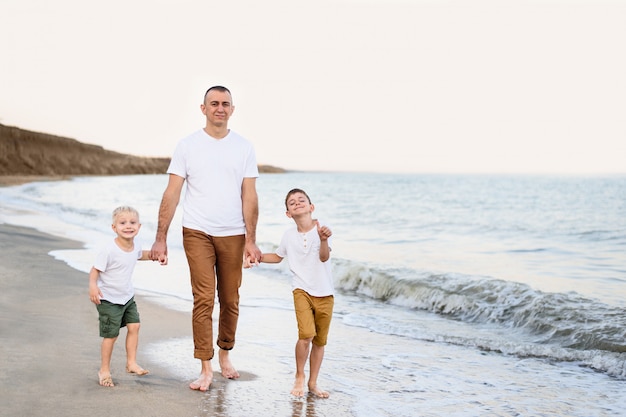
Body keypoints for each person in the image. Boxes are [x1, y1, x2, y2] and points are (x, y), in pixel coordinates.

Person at [150, 85, 262, 392]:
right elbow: (172, 193)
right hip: (196, 231)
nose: (219, 108)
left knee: (230, 298)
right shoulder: (187, 146)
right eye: (214, 103)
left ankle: (225, 353)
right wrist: (160, 238)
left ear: (232, 109)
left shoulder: (244, 147)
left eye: (225, 103)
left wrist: (251, 240)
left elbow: (249, 196)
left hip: (234, 233)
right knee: (203, 298)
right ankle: (205, 366)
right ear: (203, 108)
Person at [246, 188, 334, 398]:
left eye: (301, 200)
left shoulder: (323, 230)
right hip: (301, 289)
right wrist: (254, 257)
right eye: (291, 203)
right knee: (306, 335)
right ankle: (299, 376)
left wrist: (323, 240)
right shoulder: (288, 235)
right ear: (288, 214)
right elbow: (277, 257)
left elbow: (324, 257)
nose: (297, 203)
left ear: (311, 207)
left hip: (325, 293)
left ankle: (313, 383)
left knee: (320, 341)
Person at [89, 206, 167, 387]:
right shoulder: (109, 250)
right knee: (111, 335)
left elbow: (141, 255)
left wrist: (157, 256)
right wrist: (93, 286)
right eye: (123, 223)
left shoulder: (135, 245)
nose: (128, 226)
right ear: (114, 227)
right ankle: (104, 370)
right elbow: (95, 270)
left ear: (139, 227)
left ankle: (131, 363)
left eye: (132, 223)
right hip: (108, 299)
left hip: (127, 297)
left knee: (135, 326)